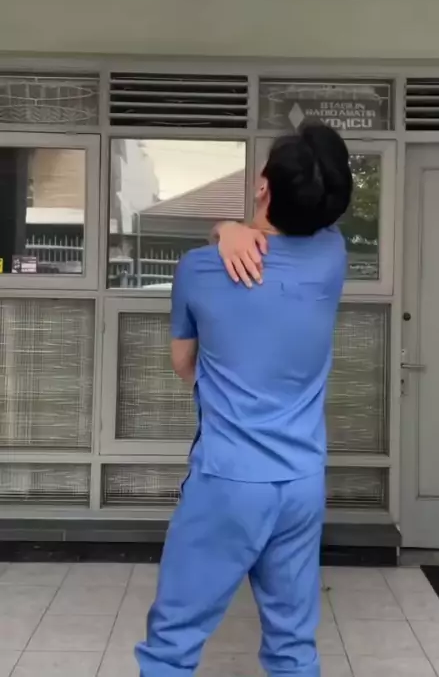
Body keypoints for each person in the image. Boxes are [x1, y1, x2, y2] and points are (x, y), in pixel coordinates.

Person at [136, 123, 353, 677]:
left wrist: (224, 229)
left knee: (171, 644)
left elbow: (183, 363)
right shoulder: (332, 256)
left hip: (228, 481)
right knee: (292, 646)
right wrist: (231, 227)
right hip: (302, 483)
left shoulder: (199, 269)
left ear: (262, 185)